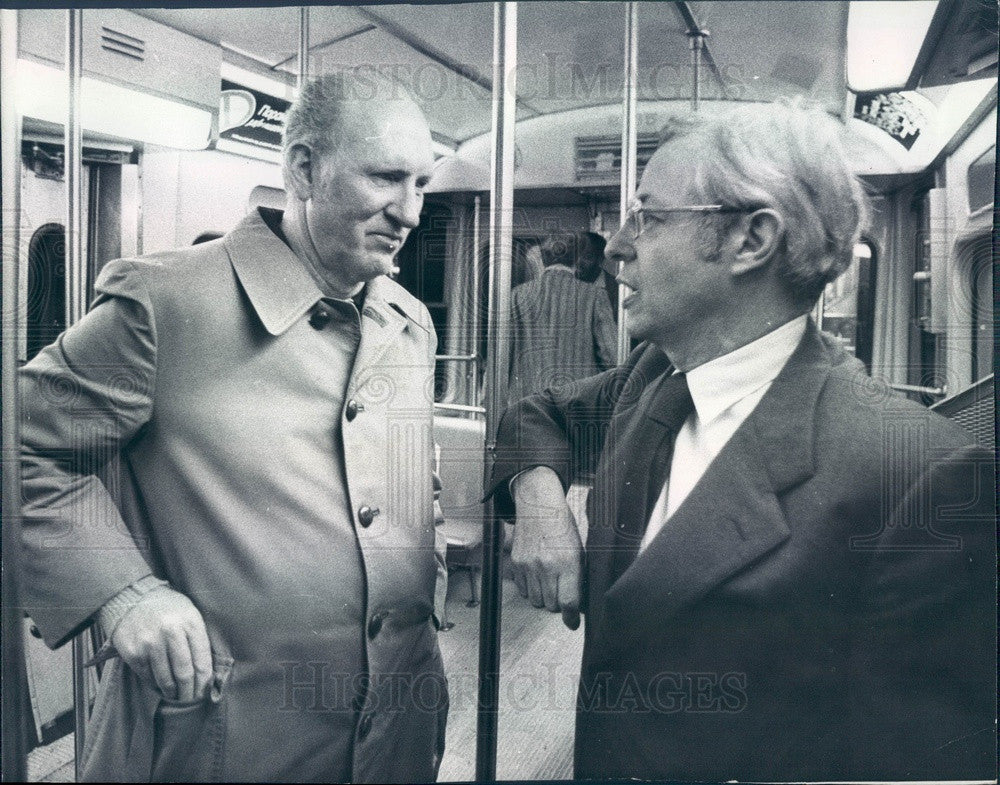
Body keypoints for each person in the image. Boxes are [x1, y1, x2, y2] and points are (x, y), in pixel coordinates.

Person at [489, 103, 994, 781]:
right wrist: (542, 503)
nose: (614, 247)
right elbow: (536, 415)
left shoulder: (917, 473)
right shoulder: (651, 375)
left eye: (650, 216)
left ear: (751, 239)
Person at [19, 73, 448, 782]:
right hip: (225, 739)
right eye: (386, 178)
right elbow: (21, 442)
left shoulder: (409, 323)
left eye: (423, 184)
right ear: (304, 169)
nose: (410, 211)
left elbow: (390, 482)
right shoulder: (167, 304)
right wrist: (122, 592)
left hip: (394, 731)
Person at [507, 233, 617, 406]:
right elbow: (611, 357)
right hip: (578, 401)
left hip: (526, 401)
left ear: (543, 259)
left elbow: (502, 354)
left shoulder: (517, 295)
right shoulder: (595, 295)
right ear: (576, 258)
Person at [573, 230, 618, 318]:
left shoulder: (615, 289)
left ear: (600, 259)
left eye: (587, 257)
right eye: (575, 254)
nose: (578, 261)